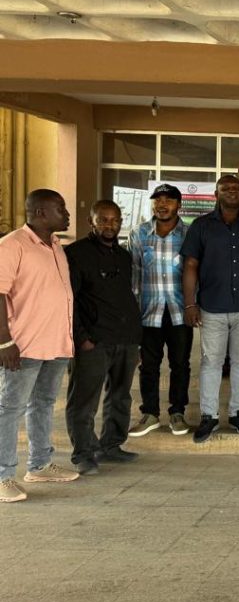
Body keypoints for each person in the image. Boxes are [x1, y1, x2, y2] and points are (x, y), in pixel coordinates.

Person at [0, 189, 78, 503]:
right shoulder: (12, 245)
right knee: (9, 409)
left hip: (55, 341)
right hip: (24, 344)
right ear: (41, 212)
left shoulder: (56, 245)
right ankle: (3, 476)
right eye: (61, 208)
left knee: (43, 403)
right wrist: (4, 340)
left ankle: (40, 465)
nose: (67, 214)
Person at [182, 175, 239, 443]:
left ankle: (238, 413)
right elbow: (190, 265)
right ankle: (209, 416)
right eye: (226, 188)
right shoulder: (201, 226)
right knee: (211, 362)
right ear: (216, 194)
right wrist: (190, 303)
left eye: (236, 188)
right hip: (212, 306)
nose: (232, 191)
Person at [65, 200, 143, 474]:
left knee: (120, 396)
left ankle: (111, 445)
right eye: (104, 220)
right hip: (93, 340)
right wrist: (81, 338)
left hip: (125, 338)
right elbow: (69, 300)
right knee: (84, 401)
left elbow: (127, 296)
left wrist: (135, 339)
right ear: (91, 222)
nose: (110, 225)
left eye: (115, 220)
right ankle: (83, 454)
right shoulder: (76, 254)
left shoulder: (123, 256)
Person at [127, 184, 192, 438]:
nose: (162, 204)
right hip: (148, 312)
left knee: (180, 364)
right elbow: (133, 275)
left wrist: (194, 305)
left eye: (169, 200)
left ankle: (177, 413)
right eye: (158, 200)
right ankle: (150, 414)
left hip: (179, 311)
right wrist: (133, 313)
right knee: (149, 366)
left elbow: (196, 272)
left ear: (179, 205)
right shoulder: (139, 233)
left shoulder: (189, 234)